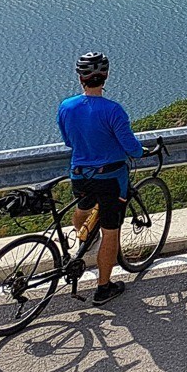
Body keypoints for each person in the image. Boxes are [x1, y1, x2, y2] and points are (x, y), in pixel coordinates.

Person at [57, 52, 144, 305]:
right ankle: (104, 287)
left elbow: (67, 141)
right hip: (110, 179)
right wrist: (143, 151)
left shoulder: (66, 107)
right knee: (111, 232)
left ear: (80, 77)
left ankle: (84, 241)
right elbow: (132, 149)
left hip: (79, 174)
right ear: (105, 76)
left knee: (83, 207)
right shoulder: (113, 110)